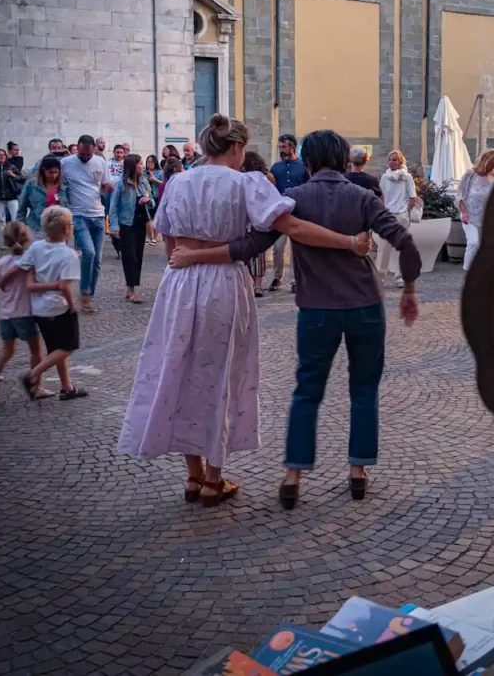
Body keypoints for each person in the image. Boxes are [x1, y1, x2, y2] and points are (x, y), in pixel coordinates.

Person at [117, 114, 372, 508]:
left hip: (180, 285)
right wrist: (348, 242)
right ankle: (213, 480)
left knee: (179, 370)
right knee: (222, 375)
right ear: (237, 147)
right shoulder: (245, 183)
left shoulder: (178, 181)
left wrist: (190, 257)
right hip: (222, 283)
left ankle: (194, 475)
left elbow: (170, 247)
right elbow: (293, 228)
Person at [168, 129, 421, 510]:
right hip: (365, 307)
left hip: (316, 310)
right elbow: (404, 241)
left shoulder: (293, 201)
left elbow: (248, 247)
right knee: (364, 391)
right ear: (341, 159)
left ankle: (293, 475)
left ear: (307, 161)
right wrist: (410, 291)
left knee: (306, 392)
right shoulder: (364, 198)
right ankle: (356, 471)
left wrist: (194, 255)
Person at [18, 206, 86, 400]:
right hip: (59, 307)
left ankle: (67, 387)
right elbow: (64, 286)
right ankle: (32, 375)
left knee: (55, 348)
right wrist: (72, 306)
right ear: (66, 229)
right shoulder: (69, 254)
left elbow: (25, 271)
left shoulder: (36, 247)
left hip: (39, 308)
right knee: (67, 347)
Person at [0, 222, 51, 401]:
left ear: (4, 242)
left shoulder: (0, 264)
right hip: (25, 314)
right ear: (27, 239)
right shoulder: (29, 262)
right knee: (36, 350)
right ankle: (36, 386)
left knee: (7, 351)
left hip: (6, 314)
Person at [60, 135, 114, 313]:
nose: (85, 158)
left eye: (88, 154)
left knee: (97, 260)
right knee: (88, 253)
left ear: (93, 150)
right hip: (77, 215)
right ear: (78, 148)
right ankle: (84, 293)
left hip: (98, 214)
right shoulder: (66, 163)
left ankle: (89, 295)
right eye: (82, 154)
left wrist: (109, 190)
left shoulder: (100, 162)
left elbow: (106, 185)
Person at [268, 133, 310, 293]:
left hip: (298, 212)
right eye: (279, 147)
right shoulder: (275, 168)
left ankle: (295, 280)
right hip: (279, 214)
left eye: (284, 147)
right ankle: (277, 278)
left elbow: (308, 188)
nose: (281, 150)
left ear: (292, 147)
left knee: (296, 248)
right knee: (278, 248)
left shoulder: (303, 167)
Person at [109, 154, 153, 304]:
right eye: (140, 163)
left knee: (138, 256)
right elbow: (113, 207)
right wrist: (114, 226)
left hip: (140, 224)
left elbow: (152, 200)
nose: (143, 166)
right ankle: (131, 289)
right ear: (133, 166)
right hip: (126, 224)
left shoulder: (144, 182)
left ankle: (132, 287)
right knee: (129, 257)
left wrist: (148, 200)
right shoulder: (121, 184)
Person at [376, 150, 417, 287]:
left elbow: (413, 197)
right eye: (390, 160)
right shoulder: (384, 177)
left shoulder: (407, 177)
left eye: (394, 160)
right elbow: (381, 196)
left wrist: (406, 210)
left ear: (400, 161)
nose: (391, 162)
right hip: (388, 215)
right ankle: (380, 278)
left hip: (401, 215)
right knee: (384, 248)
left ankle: (400, 278)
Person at [456, 148, 494, 271]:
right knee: (473, 243)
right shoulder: (470, 174)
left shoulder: (493, 175)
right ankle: (467, 273)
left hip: (486, 218)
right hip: (470, 217)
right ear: (486, 161)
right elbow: (459, 196)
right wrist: (464, 212)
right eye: (493, 163)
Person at [240, 151, 275, 297]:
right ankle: (255, 284)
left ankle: (255, 284)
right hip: (259, 216)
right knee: (256, 253)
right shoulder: (266, 178)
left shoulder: (265, 178)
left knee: (254, 253)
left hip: (253, 217)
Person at [17, 156, 66, 235]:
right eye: (50, 172)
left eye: (56, 172)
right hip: (37, 228)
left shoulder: (63, 186)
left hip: (59, 230)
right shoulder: (31, 185)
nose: (53, 176)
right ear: (43, 170)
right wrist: (22, 226)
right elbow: (21, 208)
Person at [0, 148, 25, 236]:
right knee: (2, 221)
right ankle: (6, 240)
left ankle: (16, 239)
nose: (2, 156)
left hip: (12, 197)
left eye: (3, 155)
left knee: (15, 219)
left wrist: (13, 175)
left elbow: (22, 179)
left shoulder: (11, 167)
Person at [144, 155, 162, 245]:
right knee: (148, 217)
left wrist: (155, 180)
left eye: (151, 162)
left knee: (156, 217)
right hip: (147, 196)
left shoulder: (160, 173)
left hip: (157, 196)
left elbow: (164, 184)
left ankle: (155, 238)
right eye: (148, 162)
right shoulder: (144, 173)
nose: (149, 164)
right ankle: (149, 237)